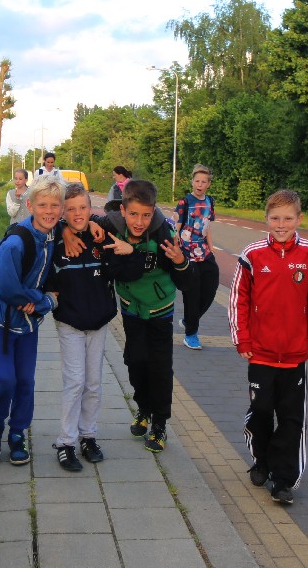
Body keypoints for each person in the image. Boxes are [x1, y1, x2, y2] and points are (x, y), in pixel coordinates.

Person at [229, 189, 308, 505]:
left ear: (299, 219)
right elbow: (238, 299)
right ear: (266, 219)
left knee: (290, 420)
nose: (281, 224)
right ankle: (261, 460)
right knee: (261, 412)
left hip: (295, 356)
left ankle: (283, 480)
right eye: (275, 218)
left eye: (288, 218)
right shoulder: (252, 254)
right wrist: (242, 338)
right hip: (259, 352)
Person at [46, 183, 133, 471]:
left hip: (98, 323)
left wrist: (125, 249)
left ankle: (88, 436)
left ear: (90, 208)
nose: (78, 213)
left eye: (83, 207)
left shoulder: (100, 236)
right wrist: (63, 230)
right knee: (75, 382)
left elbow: (120, 262)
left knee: (93, 383)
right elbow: (39, 225)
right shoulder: (56, 242)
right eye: (70, 209)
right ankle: (65, 442)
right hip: (70, 323)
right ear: (62, 212)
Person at [101, 178, 192, 453]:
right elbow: (82, 223)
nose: (139, 222)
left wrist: (180, 261)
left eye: (146, 215)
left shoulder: (165, 234)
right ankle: (143, 409)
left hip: (160, 310)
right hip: (131, 309)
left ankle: (160, 424)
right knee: (136, 361)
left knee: (160, 367)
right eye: (133, 214)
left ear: (153, 212)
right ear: (123, 210)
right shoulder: (112, 227)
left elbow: (186, 282)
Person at [0, 174, 65, 465]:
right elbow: (7, 289)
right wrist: (45, 301)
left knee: (25, 382)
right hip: (1, 322)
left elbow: (86, 221)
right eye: (42, 205)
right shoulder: (16, 242)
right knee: (4, 378)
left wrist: (34, 302)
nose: (49, 211)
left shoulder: (53, 235)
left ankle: (17, 433)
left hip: (28, 325)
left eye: (55, 206)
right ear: (30, 206)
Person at [174, 164, 218, 350]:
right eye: (197, 181)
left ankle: (189, 320)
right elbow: (176, 229)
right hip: (187, 254)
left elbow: (207, 225)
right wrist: (176, 252)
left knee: (210, 288)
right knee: (192, 294)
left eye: (203, 182)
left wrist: (211, 246)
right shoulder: (184, 202)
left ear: (208, 184)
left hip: (205, 252)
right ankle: (191, 335)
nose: (200, 184)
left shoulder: (210, 201)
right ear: (192, 182)